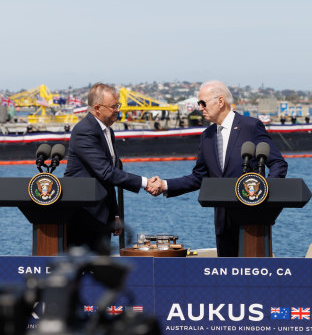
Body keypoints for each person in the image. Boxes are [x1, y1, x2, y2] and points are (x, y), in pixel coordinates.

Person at [147, 80, 287, 257]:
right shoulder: (207, 136)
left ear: (220, 101)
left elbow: (278, 164)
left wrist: (264, 194)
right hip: (223, 222)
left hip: (253, 220)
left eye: (203, 103)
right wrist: (165, 185)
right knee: (228, 279)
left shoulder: (250, 127)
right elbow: (199, 177)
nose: (200, 108)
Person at [65, 83, 155, 254]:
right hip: (84, 217)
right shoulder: (85, 131)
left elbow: (107, 179)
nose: (117, 110)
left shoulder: (107, 131)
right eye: (114, 106)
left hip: (102, 217)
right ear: (98, 108)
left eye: (117, 105)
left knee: (100, 271)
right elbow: (105, 172)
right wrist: (145, 182)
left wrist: (114, 214)